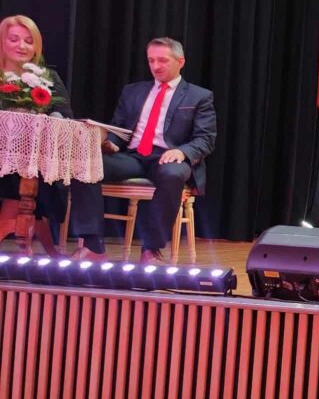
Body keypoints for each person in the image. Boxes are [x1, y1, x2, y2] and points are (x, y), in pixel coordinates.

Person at [70, 37, 216, 263]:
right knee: (85, 165)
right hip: (134, 156)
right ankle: (93, 246)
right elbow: (119, 128)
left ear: (180, 61)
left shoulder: (199, 96)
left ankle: (151, 249)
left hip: (169, 157)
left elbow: (206, 139)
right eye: (151, 60)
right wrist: (110, 142)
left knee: (172, 175)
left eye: (162, 60)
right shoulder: (133, 91)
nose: (156, 66)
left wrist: (182, 152)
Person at [0, 15, 74, 253]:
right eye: (14, 39)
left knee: (30, 170)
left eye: (28, 41)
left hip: (37, 156)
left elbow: (64, 114)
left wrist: (54, 117)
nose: (22, 46)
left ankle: (15, 218)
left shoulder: (48, 78)